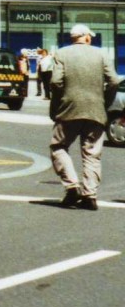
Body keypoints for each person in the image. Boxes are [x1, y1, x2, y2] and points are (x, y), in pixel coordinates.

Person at [49, 24, 119, 210]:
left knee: (59, 146)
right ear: (87, 37)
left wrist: (57, 105)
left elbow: (55, 82)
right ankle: (90, 195)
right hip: (96, 110)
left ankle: (72, 186)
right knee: (92, 153)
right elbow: (113, 80)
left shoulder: (62, 54)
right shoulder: (102, 54)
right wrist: (105, 101)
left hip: (68, 109)